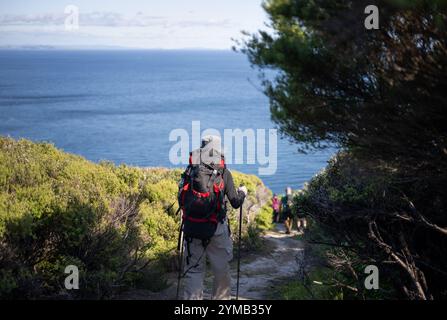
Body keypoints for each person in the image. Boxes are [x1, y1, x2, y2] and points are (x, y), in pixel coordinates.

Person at [178, 135, 247, 300]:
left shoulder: (190, 169)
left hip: (192, 228)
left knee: (194, 270)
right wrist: (242, 193)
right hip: (217, 229)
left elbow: (181, 198)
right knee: (221, 269)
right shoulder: (223, 171)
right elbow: (236, 202)